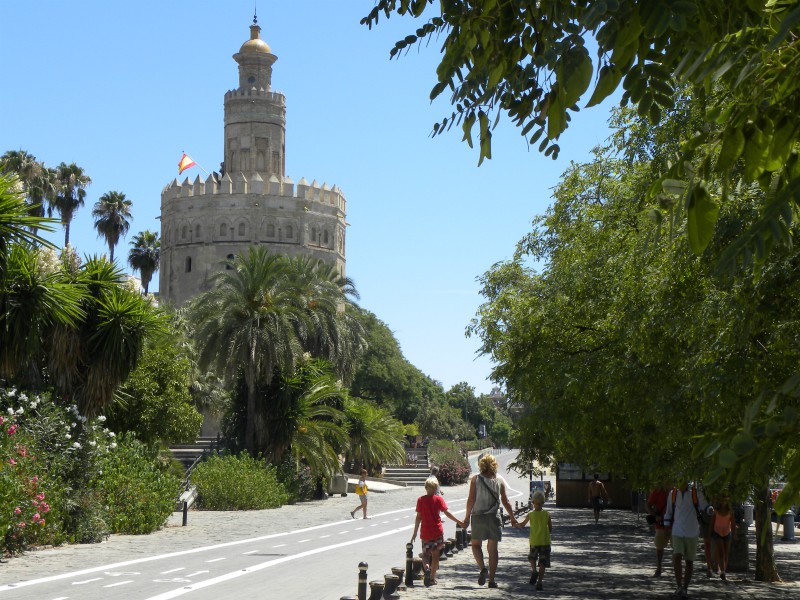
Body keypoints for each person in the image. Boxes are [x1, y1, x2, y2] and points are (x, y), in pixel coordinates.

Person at [460, 454, 517, 589]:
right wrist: (513, 518)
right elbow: (506, 501)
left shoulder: (475, 479)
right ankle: (491, 581)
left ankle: (482, 568)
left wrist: (467, 517)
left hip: (478, 516)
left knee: (475, 545)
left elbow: (471, 500)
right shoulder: (499, 480)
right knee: (493, 550)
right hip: (494, 517)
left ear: (481, 464)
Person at [663, 479, 712, 600]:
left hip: (692, 532)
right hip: (677, 531)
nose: (680, 483)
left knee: (689, 561)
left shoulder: (696, 493)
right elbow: (668, 512)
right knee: (677, 556)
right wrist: (666, 528)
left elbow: (705, 506)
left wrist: (710, 509)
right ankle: (679, 586)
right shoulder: (673, 494)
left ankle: (685, 588)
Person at [410, 477, 461, 586]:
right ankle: (432, 578)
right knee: (436, 555)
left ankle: (426, 568)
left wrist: (414, 533)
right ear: (435, 488)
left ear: (426, 488)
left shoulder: (420, 500)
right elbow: (447, 513)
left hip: (425, 532)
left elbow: (418, 518)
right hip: (437, 531)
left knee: (425, 555)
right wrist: (459, 521)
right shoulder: (439, 499)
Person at [515, 490, 552, 591]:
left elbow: (522, 525)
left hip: (534, 541)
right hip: (545, 541)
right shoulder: (547, 514)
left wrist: (515, 524)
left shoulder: (530, 514)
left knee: (532, 558)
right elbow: (550, 528)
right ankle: (539, 582)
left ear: (533, 503)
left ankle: (534, 570)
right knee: (543, 563)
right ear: (543, 502)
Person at [647, 482, 672, 577]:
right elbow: (648, 505)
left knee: (677, 548)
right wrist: (655, 515)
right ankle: (659, 567)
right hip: (661, 524)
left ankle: (677, 568)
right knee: (659, 547)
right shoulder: (657, 491)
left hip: (674, 525)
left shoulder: (676, 492)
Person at [712, 498, 736, 580]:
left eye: (726, 499)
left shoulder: (730, 512)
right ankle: (722, 571)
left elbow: (733, 523)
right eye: (722, 499)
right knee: (721, 552)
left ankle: (723, 570)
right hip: (717, 533)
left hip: (727, 533)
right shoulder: (715, 511)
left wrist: (735, 534)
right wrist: (709, 534)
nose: (723, 501)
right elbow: (712, 522)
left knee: (726, 553)